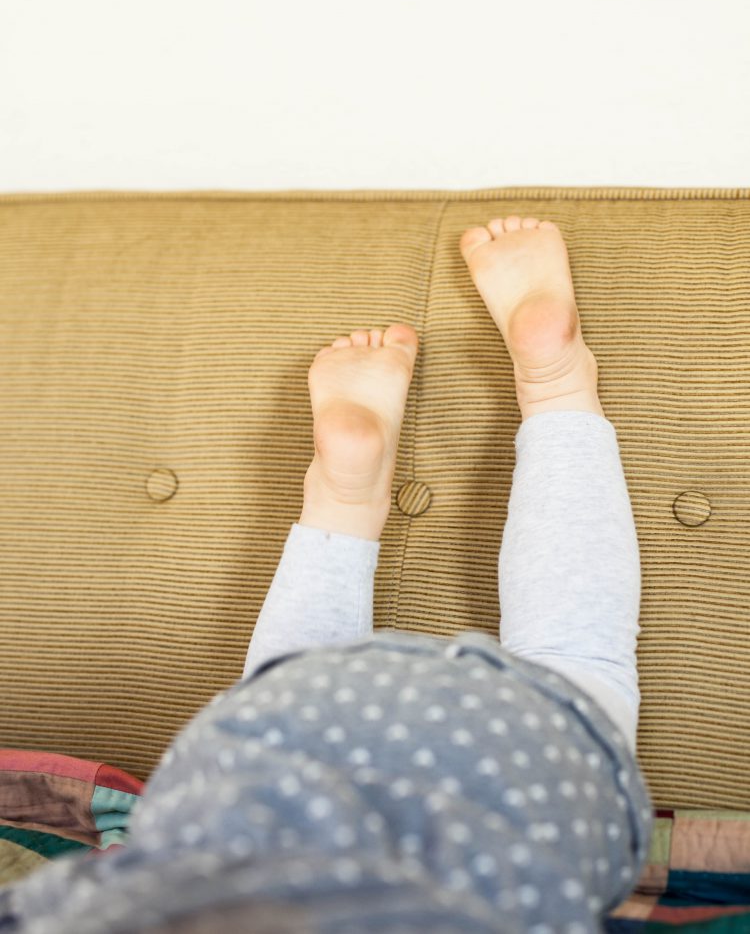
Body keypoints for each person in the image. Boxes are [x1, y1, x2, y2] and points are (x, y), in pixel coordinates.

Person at [0, 216, 654, 934]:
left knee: (575, 657)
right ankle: (362, 488)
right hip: (291, 739)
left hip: (507, 768)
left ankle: (538, 392)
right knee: (284, 701)